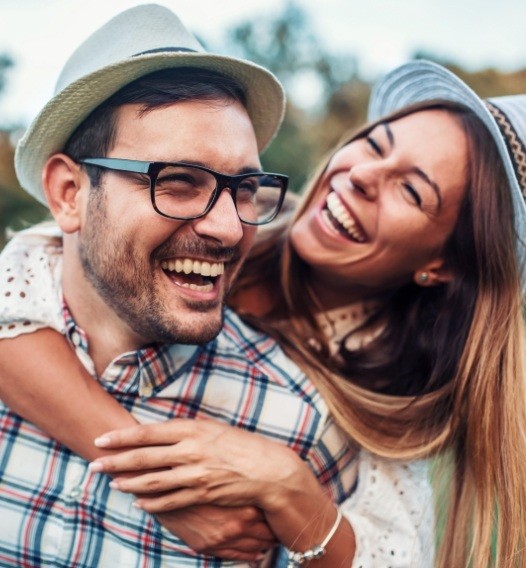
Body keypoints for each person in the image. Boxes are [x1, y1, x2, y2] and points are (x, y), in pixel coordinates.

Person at [1, 48, 525, 568]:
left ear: (443, 263)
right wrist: (158, 480)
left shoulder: (380, 399)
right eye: (374, 143)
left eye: (411, 190)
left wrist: (287, 484)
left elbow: (394, 555)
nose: (363, 175)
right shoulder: (234, 224)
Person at [0, 5, 362, 567]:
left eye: (245, 189)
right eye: (177, 182)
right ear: (69, 193)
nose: (227, 226)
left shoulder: (301, 428)